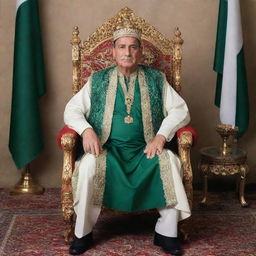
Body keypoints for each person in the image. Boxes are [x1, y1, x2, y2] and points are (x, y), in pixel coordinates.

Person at [64, 24, 191, 255]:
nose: (127, 52)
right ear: (112, 52)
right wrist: (86, 131)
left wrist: (162, 136)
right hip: (107, 150)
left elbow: (180, 110)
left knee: (170, 162)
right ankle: (82, 233)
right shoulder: (97, 80)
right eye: (122, 47)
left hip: (146, 150)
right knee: (88, 166)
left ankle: (167, 233)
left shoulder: (157, 79)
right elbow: (71, 110)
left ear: (141, 52)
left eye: (133, 47)